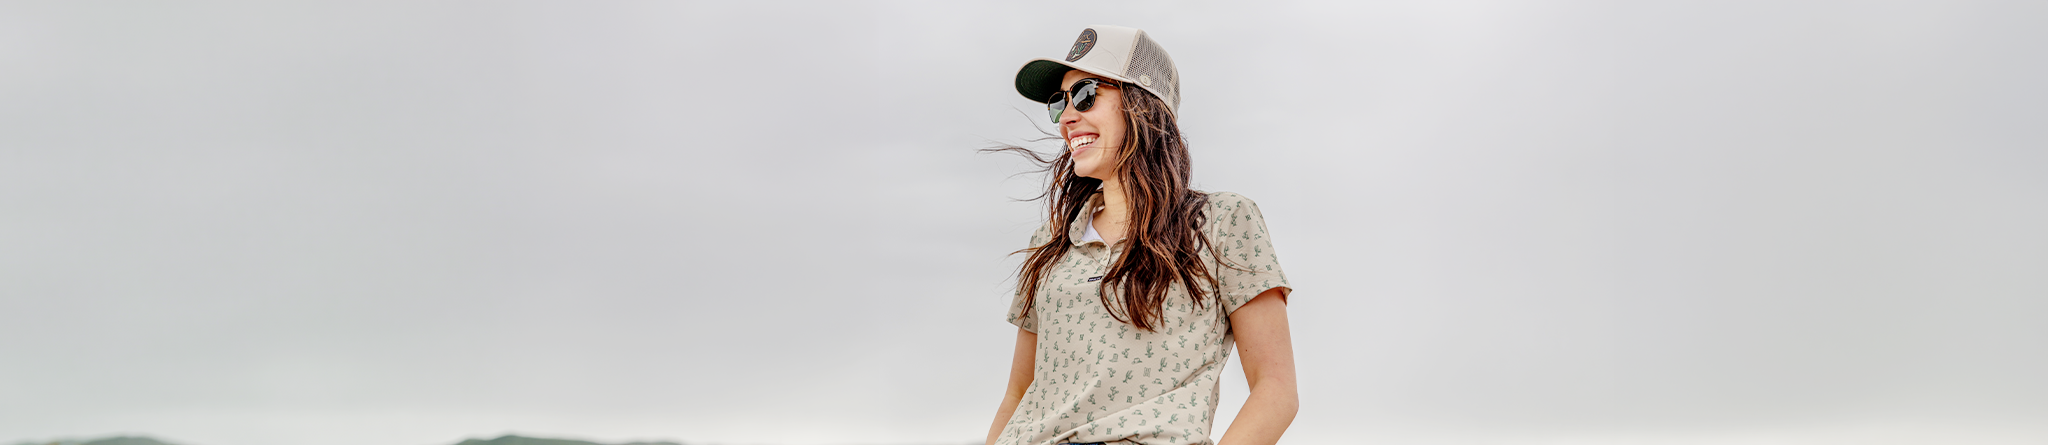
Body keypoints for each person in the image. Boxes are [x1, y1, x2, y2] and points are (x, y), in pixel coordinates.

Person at [983, 25, 1297, 445]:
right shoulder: (1050, 242)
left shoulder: (1222, 221)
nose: (1067, 118)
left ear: (1143, 105)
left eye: (1085, 95)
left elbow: (1276, 390)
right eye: (1060, 102)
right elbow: (1018, 394)